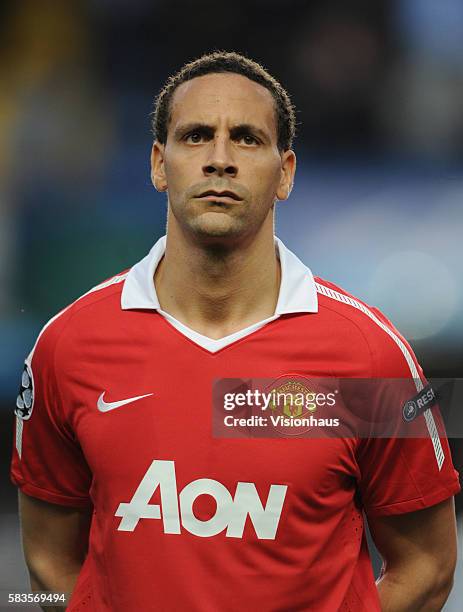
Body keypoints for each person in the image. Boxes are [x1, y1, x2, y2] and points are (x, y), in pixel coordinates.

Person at [11, 51, 460, 612]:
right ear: (157, 164)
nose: (219, 159)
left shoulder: (369, 353)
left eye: (246, 138)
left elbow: (428, 566)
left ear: (286, 173)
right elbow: (50, 563)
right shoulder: (68, 345)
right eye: (196, 135)